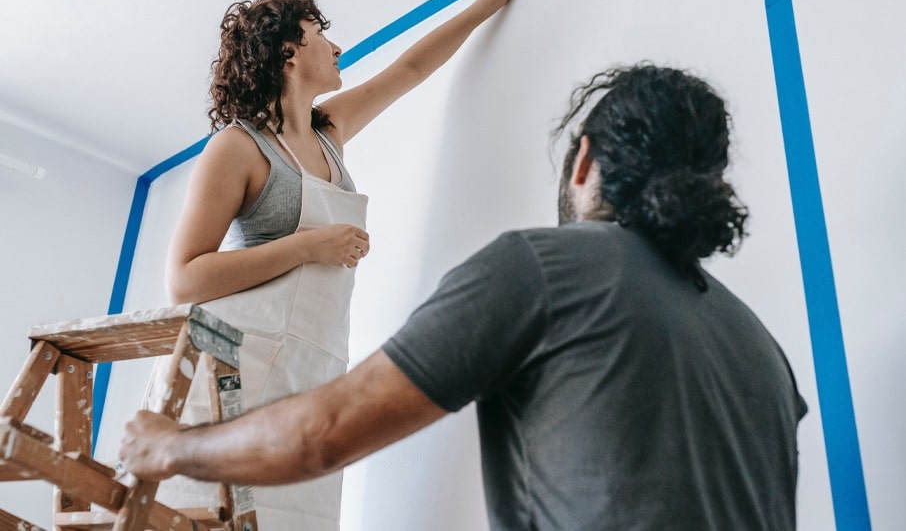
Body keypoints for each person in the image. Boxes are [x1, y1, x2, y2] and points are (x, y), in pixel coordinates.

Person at [122, 64, 808, 530]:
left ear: (585, 160)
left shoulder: (543, 267)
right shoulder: (763, 352)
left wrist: (171, 447)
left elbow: (321, 435)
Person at [140, 0, 531, 529]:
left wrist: (485, 5)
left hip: (310, 369)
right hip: (231, 373)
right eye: (321, 31)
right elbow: (184, 277)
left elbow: (409, 70)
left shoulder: (330, 130)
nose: (336, 43)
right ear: (289, 52)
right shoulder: (239, 147)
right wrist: (309, 246)